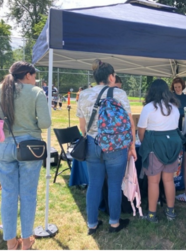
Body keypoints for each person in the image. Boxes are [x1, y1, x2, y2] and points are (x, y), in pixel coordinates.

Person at [0, 61, 51, 251]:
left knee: (8, 195)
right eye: (34, 76)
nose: (35, 80)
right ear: (27, 75)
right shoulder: (36, 92)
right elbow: (45, 123)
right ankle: (25, 241)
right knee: (27, 195)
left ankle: (11, 243)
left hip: (2, 146)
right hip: (29, 148)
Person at [76, 59, 136, 235]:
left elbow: (82, 126)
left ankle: (92, 224)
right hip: (116, 146)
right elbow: (129, 123)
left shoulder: (84, 94)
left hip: (93, 143)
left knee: (94, 184)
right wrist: (131, 146)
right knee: (114, 185)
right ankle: (114, 223)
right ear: (111, 76)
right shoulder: (119, 94)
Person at [137, 79, 184, 223]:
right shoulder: (174, 107)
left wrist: (146, 144)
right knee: (168, 180)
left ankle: (152, 214)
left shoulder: (149, 107)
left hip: (155, 144)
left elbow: (141, 131)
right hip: (173, 143)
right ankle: (171, 212)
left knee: (153, 182)